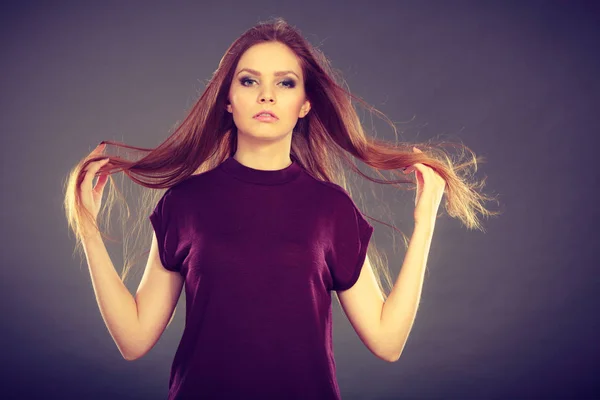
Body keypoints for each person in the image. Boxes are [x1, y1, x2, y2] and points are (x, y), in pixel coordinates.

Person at [64, 17, 498, 400]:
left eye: (285, 83)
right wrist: (88, 229)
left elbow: (388, 342)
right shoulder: (185, 202)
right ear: (228, 101)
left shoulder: (331, 208)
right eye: (249, 81)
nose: (267, 96)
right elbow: (134, 339)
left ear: (305, 104)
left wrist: (424, 225)